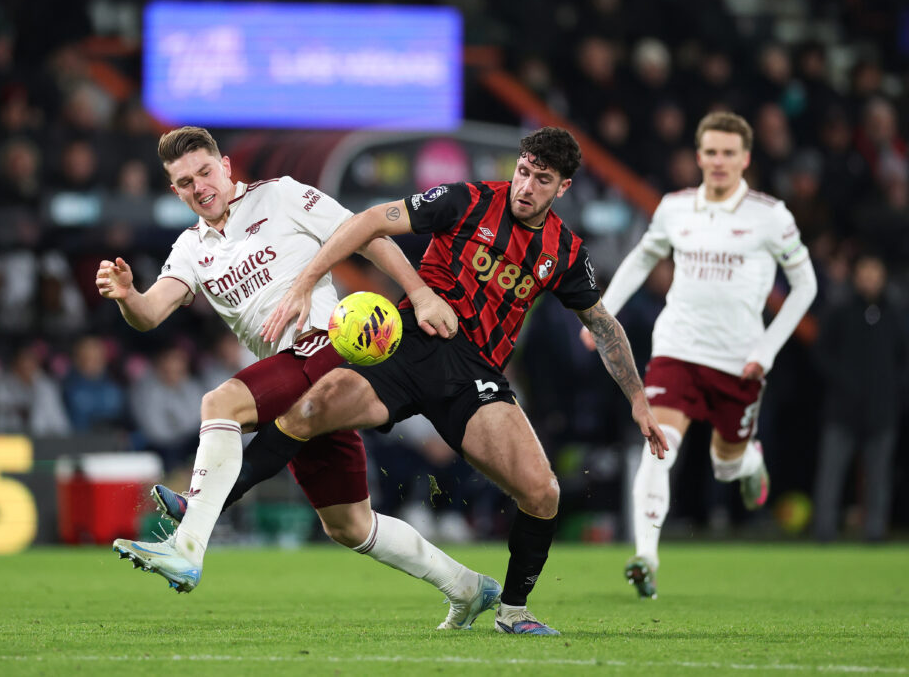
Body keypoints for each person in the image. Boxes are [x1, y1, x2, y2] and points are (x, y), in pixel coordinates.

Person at [252, 126, 668, 635]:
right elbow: (366, 222)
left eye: (542, 180)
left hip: (475, 378)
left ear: (562, 188)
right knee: (307, 413)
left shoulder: (563, 250)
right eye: (523, 172)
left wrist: (639, 401)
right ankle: (204, 511)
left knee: (543, 494)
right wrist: (307, 281)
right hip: (409, 344)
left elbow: (604, 327)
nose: (526, 187)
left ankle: (513, 612)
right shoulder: (464, 200)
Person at [97, 126, 501, 631]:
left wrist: (418, 293)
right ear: (174, 191)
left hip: (329, 346)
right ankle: (468, 586)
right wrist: (128, 296)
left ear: (225, 168)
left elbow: (367, 234)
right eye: (184, 182)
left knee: (221, 403)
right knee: (349, 525)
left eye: (205, 172)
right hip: (294, 381)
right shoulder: (189, 249)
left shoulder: (281, 195)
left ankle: (188, 545)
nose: (199, 186)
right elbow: (151, 313)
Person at [580, 111, 818, 598]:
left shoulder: (769, 216)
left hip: (740, 360)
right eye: (710, 151)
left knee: (725, 466)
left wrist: (768, 350)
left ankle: (749, 460)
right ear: (698, 155)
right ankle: (646, 555)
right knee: (658, 445)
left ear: (746, 158)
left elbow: (805, 285)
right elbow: (646, 255)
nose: (718, 161)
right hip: (678, 350)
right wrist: (602, 315)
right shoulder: (676, 207)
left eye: (729, 152)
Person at [812, 254, 905, 543]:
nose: (869, 278)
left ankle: (875, 530)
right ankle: (824, 530)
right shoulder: (840, 311)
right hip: (843, 408)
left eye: (875, 272)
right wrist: (842, 382)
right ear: (856, 276)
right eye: (864, 272)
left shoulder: (895, 313)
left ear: (883, 276)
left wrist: (893, 389)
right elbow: (820, 352)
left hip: (881, 409)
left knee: (879, 475)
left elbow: (903, 358)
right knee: (831, 473)